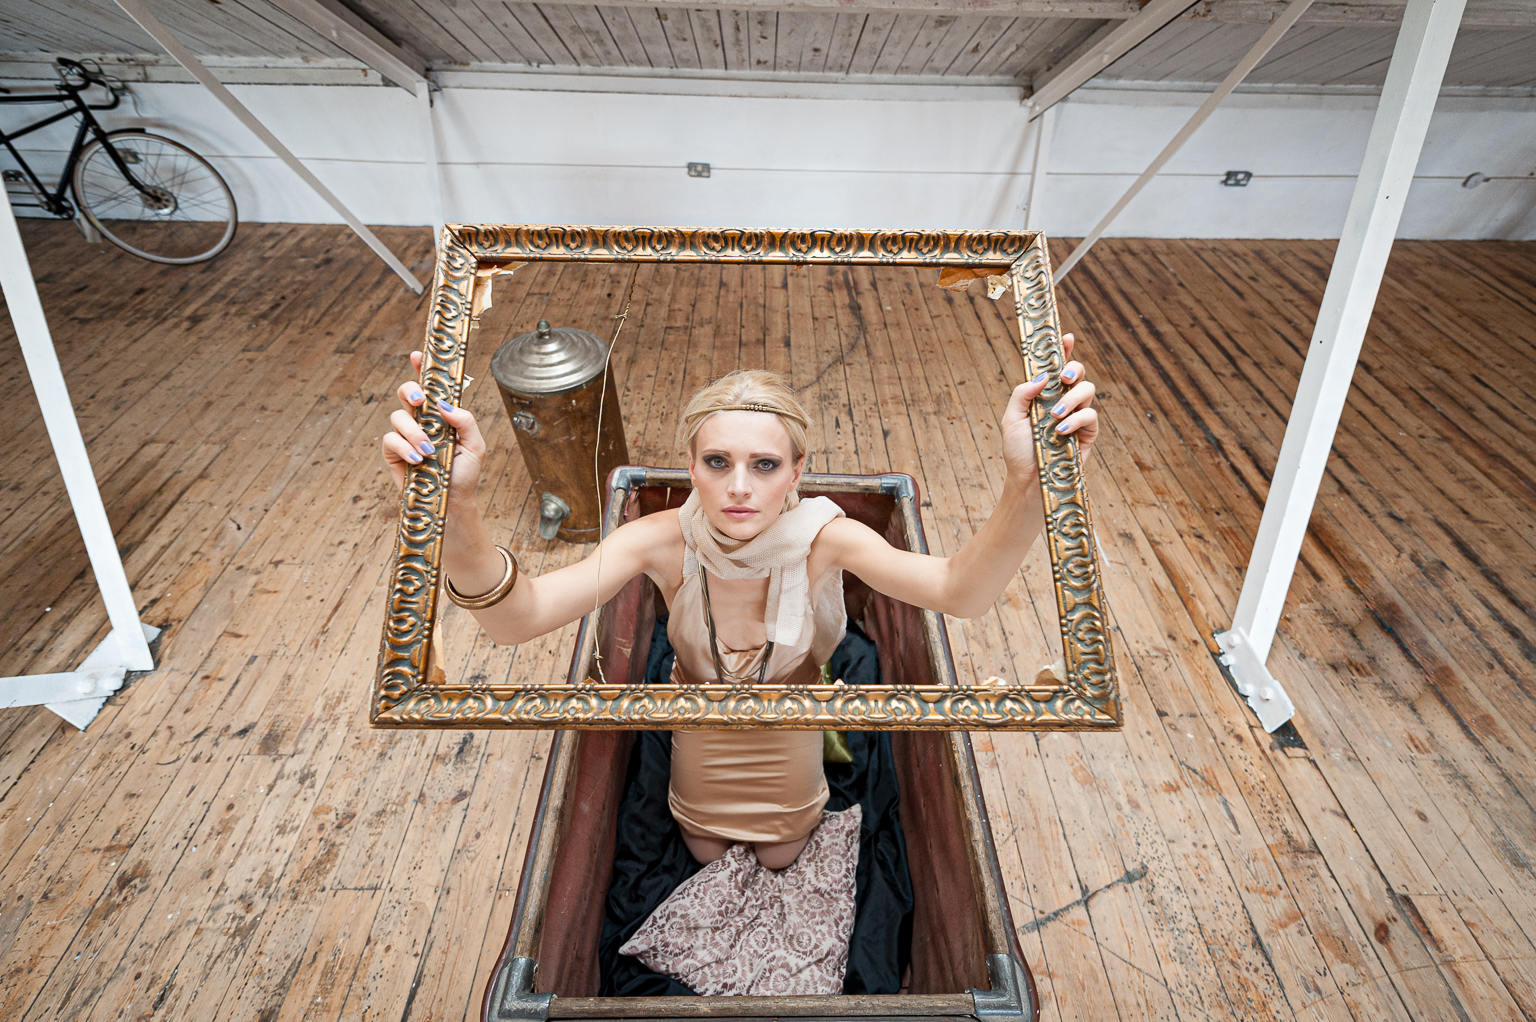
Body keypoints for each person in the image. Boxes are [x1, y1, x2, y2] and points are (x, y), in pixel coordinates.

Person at [382, 337, 1098, 869]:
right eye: (716, 462)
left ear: (798, 472)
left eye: (765, 465)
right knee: (700, 847)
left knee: (785, 856)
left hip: (792, 727)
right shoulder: (659, 538)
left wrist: (1028, 487)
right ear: (691, 464)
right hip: (697, 726)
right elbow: (518, 619)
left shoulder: (830, 538)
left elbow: (959, 594)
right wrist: (457, 506)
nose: (739, 487)